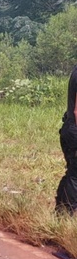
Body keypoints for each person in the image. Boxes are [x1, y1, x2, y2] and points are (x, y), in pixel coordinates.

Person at [56, 65, 77, 213]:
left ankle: (61, 211)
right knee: (75, 174)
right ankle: (69, 213)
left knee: (72, 172)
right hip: (74, 129)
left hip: (69, 128)